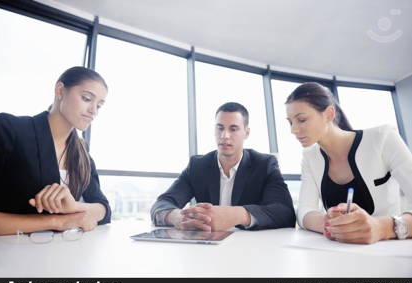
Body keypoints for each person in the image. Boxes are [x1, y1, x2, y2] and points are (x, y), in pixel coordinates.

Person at [286, 82, 412, 244]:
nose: (293, 130)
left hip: (390, 252)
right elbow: (304, 211)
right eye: (290, 122)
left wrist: (381, 228)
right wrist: (329, 222)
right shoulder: (310, 157)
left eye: (301, 120)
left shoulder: (383, 138)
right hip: (339, 255)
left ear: (329, 114)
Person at [0, 66, 111, 236]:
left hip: (58, 254)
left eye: (99, 106)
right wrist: (59, 221)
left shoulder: (81, 152)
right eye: (87, 98)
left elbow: (103, 209)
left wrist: (75, 207)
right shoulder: (8, 129)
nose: (93, 111)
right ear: (60, 91)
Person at [151, 102, 295, 231]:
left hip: (250, 249)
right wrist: (176, 217)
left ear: (246, 133)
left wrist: (238, 215)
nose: (225, 135)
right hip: (205, 248)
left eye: (233, 129)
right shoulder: (198, 166)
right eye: (220, 128)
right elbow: (162, 204)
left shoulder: (264, 165)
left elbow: (285, 212)